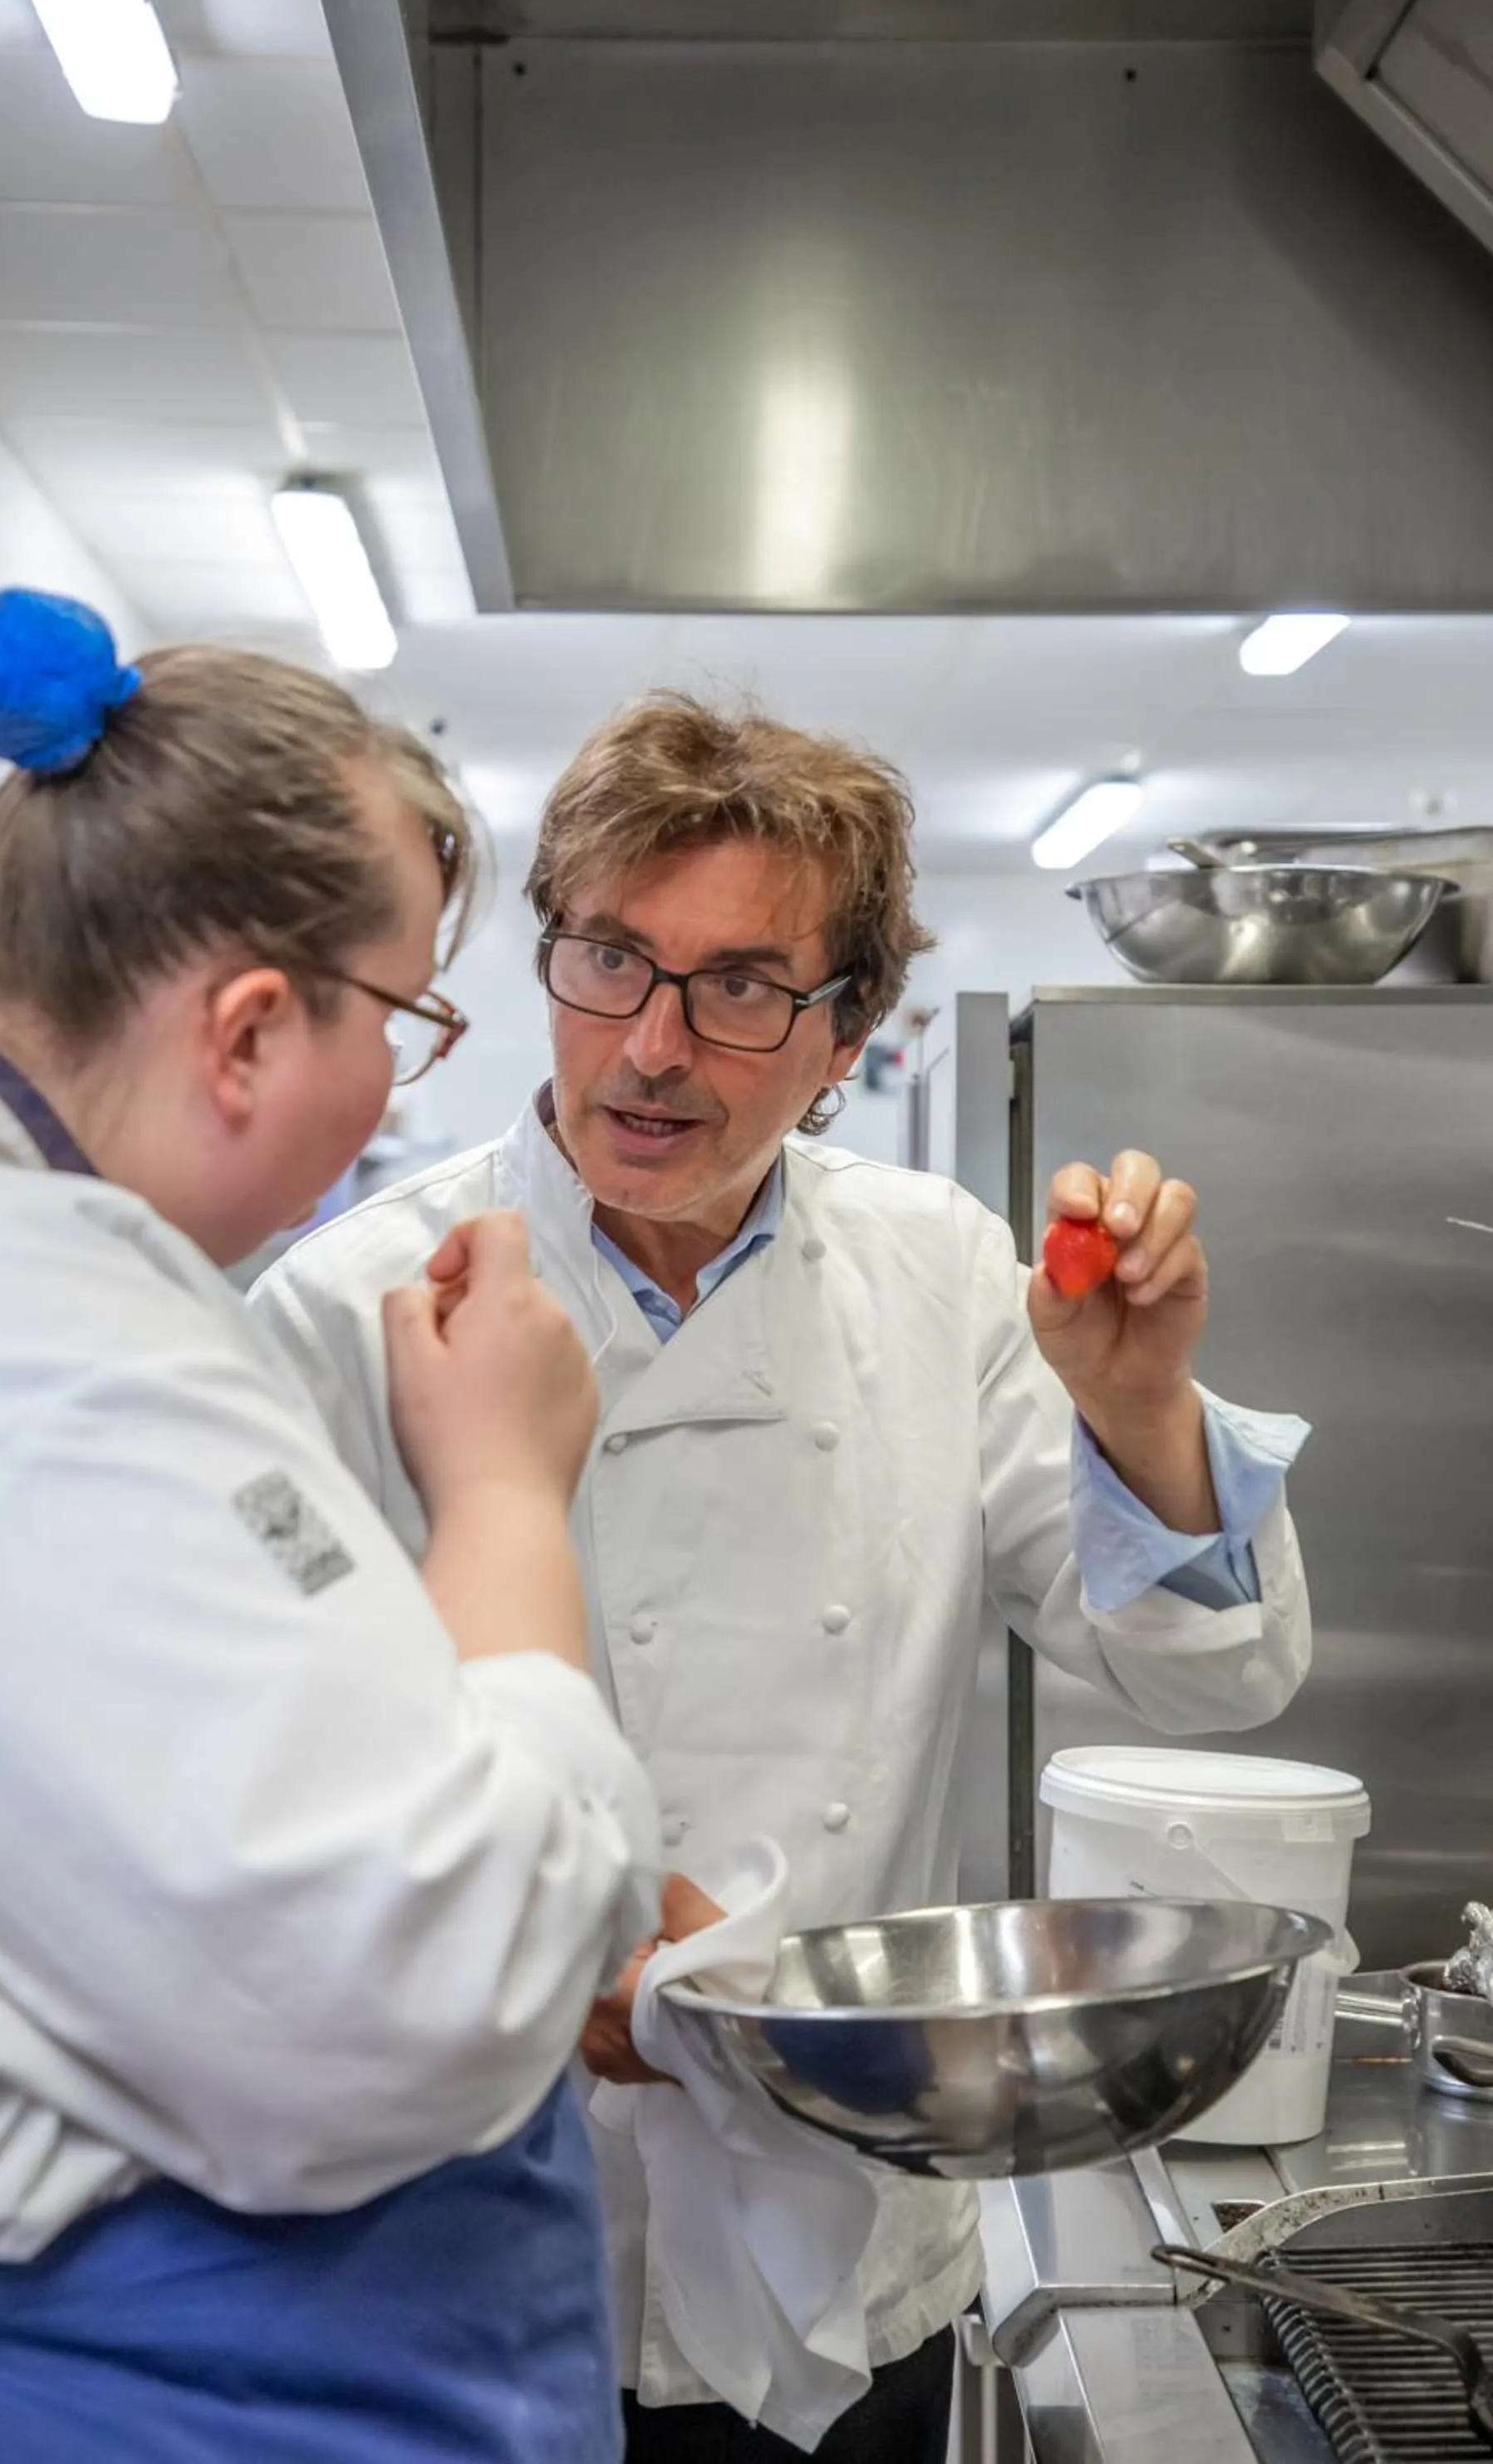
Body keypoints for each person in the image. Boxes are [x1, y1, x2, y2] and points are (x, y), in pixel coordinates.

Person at [252, 694, 1313, 2462]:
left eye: (741, 987)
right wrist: (503, 1933)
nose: (653, 1047)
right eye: (611, 960)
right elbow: (234, 1786)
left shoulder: (943, 1276)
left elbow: (1216, 1679)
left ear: (846, 1037)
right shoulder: (354, 1299)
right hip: (467, 2259)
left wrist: (1135, 1405)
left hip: (855, 2242)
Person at [0, 589, 659, 2464]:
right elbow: (417, 1993)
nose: (400, 1080)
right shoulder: (27, 1360)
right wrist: (505, 1488)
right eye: (412, 1017)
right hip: (126, 2395)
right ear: (250, 1033)